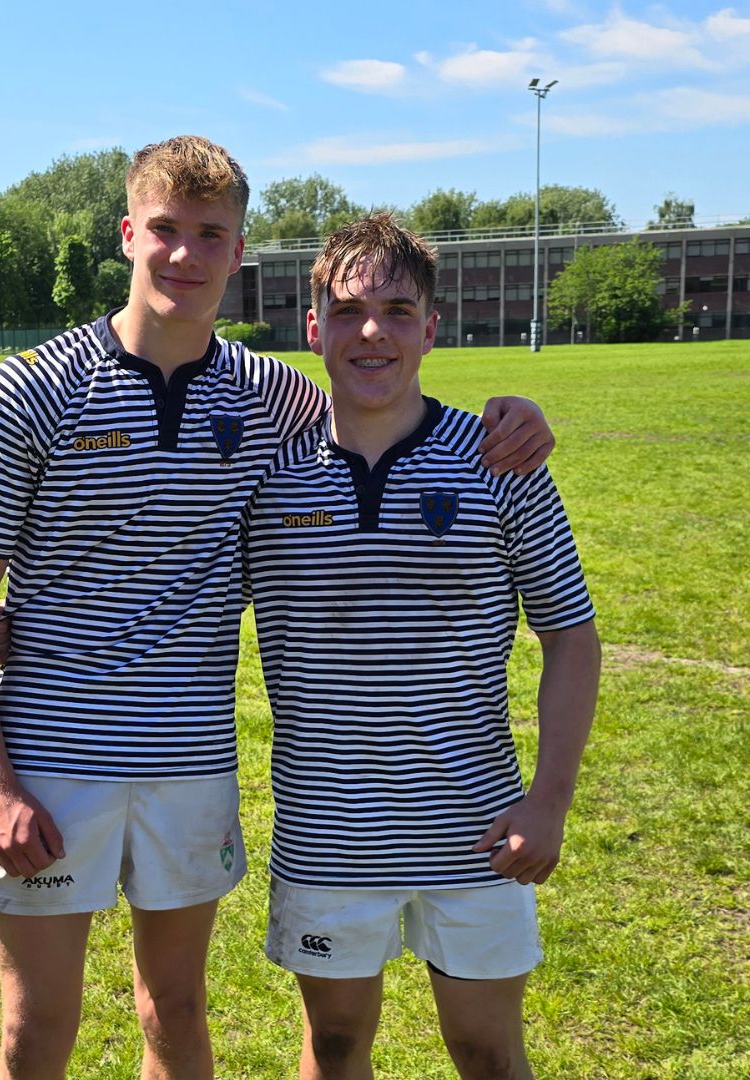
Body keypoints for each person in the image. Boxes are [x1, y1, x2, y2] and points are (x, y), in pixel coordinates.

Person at [0, 136, 555, 1080]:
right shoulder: (32, 387)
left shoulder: (272, 398)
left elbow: (379, 401)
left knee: (173, 1007)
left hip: (190, 763)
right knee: (33, 1025)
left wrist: (517, 418)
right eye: (166, 230)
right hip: (53, 763)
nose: (184, 254)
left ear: (238, 248)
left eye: (209, 234)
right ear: (128, 233)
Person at [241, 213, 601, 1079]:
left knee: (486, 1052)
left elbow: (572, 636)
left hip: (475, 832)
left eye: (399, 310)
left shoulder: (500, 459)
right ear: (313, 326)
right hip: (329, 834)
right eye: (350, 309)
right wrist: (18, 623)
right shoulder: (266, 469)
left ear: (432, 328)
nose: (374, 331)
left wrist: (549, 801)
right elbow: (173, 589)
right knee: (333, 1048)